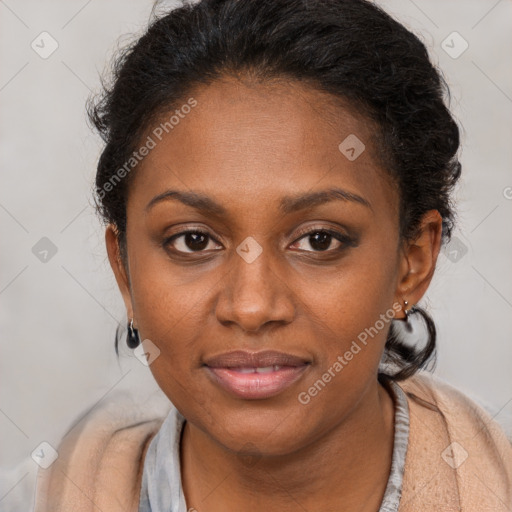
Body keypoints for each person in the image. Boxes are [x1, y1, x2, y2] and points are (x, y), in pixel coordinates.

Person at [33, 0, 512, 510]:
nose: (252, 306)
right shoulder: (46, 495)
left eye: (319, 240)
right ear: (124, 270)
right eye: (193, 240)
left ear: (411, 263)